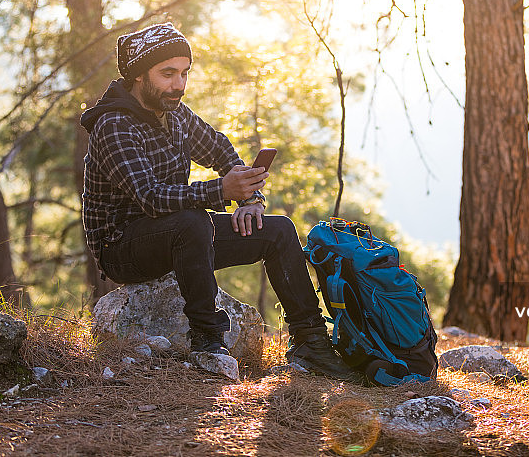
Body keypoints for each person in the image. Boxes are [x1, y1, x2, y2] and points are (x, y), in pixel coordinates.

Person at [80, 22, 358, 382]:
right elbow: (149, 197)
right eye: (167, 74)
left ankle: (311, 342)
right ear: (137, 75)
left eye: (184, 73)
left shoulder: (174, 112)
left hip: (179, 234)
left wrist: (250, 198)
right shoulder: (114, 124)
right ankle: (207, 341)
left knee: (277, 230)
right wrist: (222, 192)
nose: (178, 85)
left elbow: (220, 149)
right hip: (122, 248)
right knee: (193, 220)